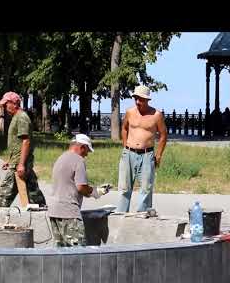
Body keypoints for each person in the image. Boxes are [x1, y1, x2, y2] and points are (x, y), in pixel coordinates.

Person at [48, 134, 110, 247]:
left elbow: (69, 185)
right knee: (78, 253)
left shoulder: (61, 158)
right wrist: (95, 192)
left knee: (61, 252)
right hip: (69, 212)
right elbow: (81, 187)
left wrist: (94, 191)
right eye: (87, 150)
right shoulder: (78, 160)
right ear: (82, 147)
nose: (86, 154)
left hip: (54, 212)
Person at [116, 85, 167, 213]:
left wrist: (159, 155)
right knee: (124, 188)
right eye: (136, 99)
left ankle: (143, 216)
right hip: (128, 153)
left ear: (147, 100)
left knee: (146, 189)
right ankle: (121, 215)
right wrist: (125, 147)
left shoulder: (156, 115)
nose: (138, 102)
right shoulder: (130, 112)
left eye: (141, 99)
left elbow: (163, 135)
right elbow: (124, 128)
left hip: (147, 154)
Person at [0, 91, 46, 207]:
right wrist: (10, 160)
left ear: (14, 103)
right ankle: (43, 213)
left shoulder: (21, 118)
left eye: (6, 104)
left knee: (4, 197)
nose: (4, 107)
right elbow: (17, 144)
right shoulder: (17, 117)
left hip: (18, 165)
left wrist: (21, 164)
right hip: (17, 162)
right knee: (33, 194)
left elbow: (26, 141)